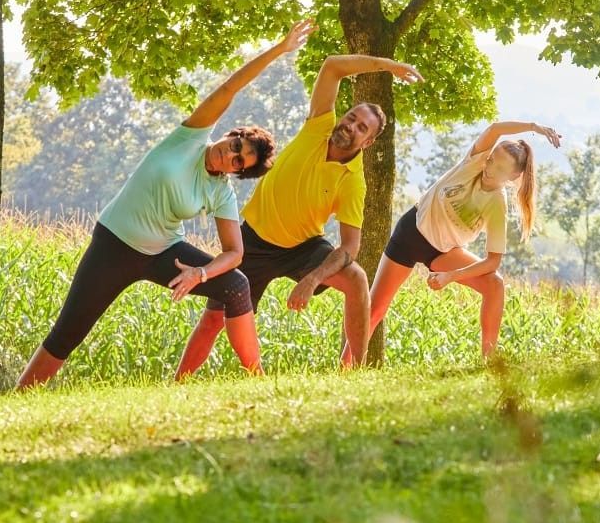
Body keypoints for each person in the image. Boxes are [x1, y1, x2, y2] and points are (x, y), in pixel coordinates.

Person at [17, 20, 317, 389]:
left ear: (238, 172)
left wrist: (200, 273)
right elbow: (230, 87)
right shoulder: (189, 137)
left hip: (163, 253)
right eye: (236, 146)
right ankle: (19, 396)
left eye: (240, 162)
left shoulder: (221, 192)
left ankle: (257, 380)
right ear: (231, 134)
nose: (231, 156)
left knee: (236, 285)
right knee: (68, 332)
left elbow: (235, 253)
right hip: (114, 244)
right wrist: (280, 49)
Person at [173, 51, 422, 376]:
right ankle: (179, 382)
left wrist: (313, 278)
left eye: (361, 128)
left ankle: (356, 372)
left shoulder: (353, 181)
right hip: (252, 241)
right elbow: (332, 66)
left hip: (302, 248)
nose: (350, 126)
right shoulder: (320, 126)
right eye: (351, 117)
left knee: (357, 278)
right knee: (213, 320)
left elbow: (350, 246)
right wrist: (389, 66)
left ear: (368, 143)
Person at [357, 121, 561, 361]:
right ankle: (347, 366)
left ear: (514, 176)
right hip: (411, 233)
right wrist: (535, 128)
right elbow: (495, 129)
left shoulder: (497, 204)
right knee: (375, 309)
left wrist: (451, 276)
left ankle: (489, 361)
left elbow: (492, 262)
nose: (490, 168)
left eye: (500, 168)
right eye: (492, 160)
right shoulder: (474, 163)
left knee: (495, 285)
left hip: (442, 253)